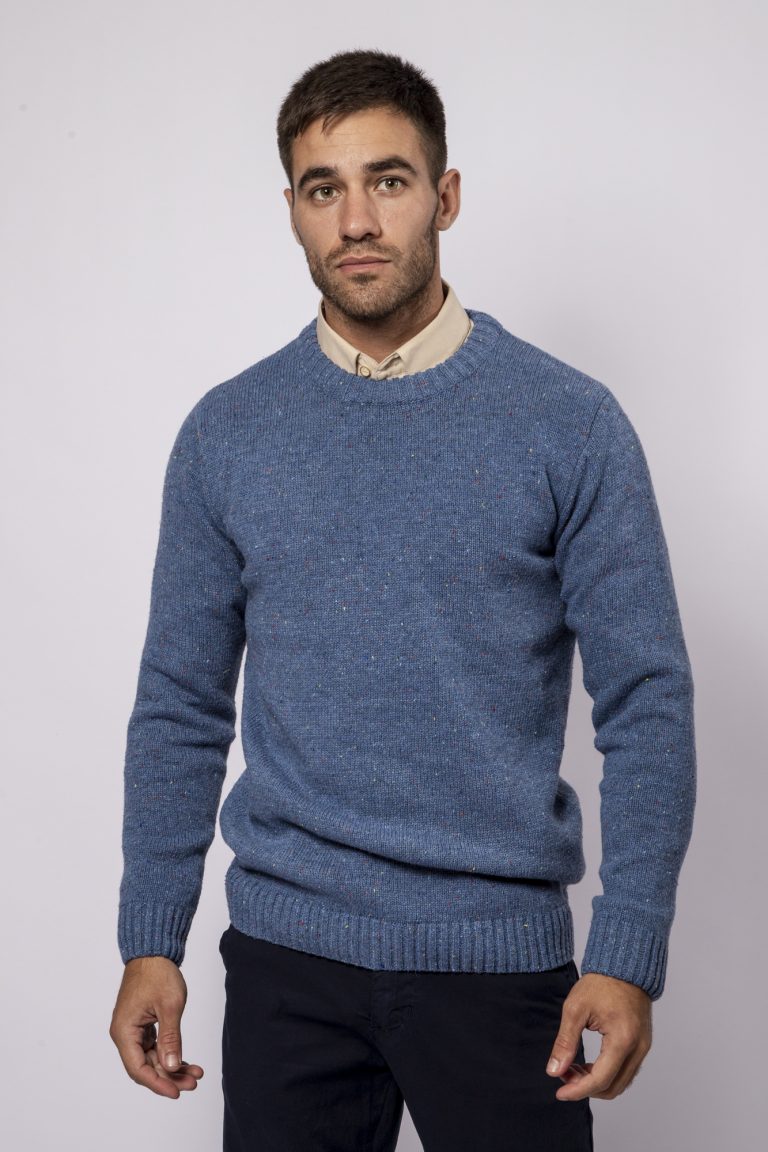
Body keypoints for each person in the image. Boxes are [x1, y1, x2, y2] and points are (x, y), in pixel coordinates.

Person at [109, 49, 696, 1152]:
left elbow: (648, 701)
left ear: (446, 195)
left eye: (388, 180)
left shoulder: (568, 424)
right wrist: (152, 937)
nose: (357, 221)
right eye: (323, 188)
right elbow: (181, 701)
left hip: (501, 965)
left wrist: (628, 950)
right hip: (286, 965)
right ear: (292, 210)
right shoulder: (228, 434)